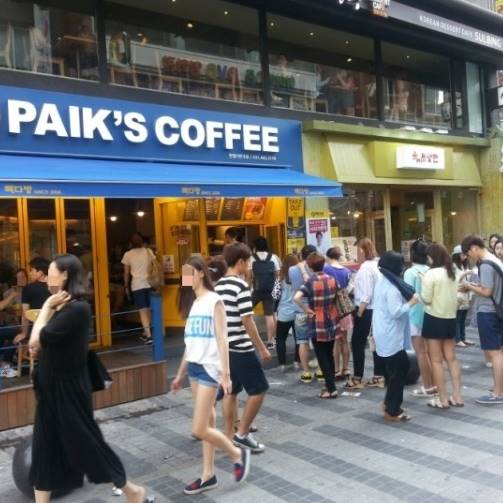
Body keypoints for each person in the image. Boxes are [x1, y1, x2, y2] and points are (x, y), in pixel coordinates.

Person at [28, 254, 153, 503]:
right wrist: (49, 312)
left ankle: (133, 491)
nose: (47, 275)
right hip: (50, 390)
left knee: (87, 447)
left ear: (65, 275)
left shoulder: (77, 309)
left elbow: (35, 341)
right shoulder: (62, 308)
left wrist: (45, 309)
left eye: (51, 271)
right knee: (45, 448)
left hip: (68, 392)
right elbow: (39, 346)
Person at [172, 256, 250, 495]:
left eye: (188, 272)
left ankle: (236, 454)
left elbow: (222, 338)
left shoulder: (214, 300)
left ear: (200, 273)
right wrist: (179, 374)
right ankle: (208, 475)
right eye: (183, 274)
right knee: (208, 423)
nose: (185, 278)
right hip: (194, 368)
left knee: (198, 429)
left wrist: (226, 374)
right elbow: (191, 343)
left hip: (209, 369)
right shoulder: (194, 303)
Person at [215, 243, 271, 453]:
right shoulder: (240, 286)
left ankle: (229, 436)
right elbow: (247, 320)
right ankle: (242, 434)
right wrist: (262, 348)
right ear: (240, 262)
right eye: (247, 262)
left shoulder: (218, 285)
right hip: (241, 347)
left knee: (231, 392)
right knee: (259, 389)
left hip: (225, 349)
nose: (249, 266)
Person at [373, 251, 419, 422]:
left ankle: (389, 404)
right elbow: (396, 312)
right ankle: (393, 410)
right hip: (390, 335)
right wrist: (412, 302)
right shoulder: (391, 287)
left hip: (385, 332)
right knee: (399, 370)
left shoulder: (383, 281)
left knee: (396, 371)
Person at [460, 235, 503, 404]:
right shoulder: (494, 260)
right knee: (498, 352)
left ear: (474, 248)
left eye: (468, 253)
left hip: (489, 312)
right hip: (497, 310)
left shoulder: (485, 264)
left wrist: (468, 286)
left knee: (494, 353)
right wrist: (473, 286)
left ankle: (498, 393)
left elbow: (486, 291)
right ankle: (498, 388)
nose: (469, 257)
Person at [421, 243, 463, 409]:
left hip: (433, 318)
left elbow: (426, 298)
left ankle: (443, 399)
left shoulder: (430, 274)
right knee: (451, 359)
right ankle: (457, 396)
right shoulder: (452, 271)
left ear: (432, 257)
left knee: (436, 361)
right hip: (450, 318)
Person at [294, 253, 338, 399]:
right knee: (329, 354)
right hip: (331, 319)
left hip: (317, 320)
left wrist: (306, 309)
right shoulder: (332, 279)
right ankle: (331, 385)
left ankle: (331, 389)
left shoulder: (310, 282)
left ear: (310, 266)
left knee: (321, 356)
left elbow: (297, 298)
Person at [345, 238, 385, 390]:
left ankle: (357, 378)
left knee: (357, 343)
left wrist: (359, 313)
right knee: (375, 342)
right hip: (378, 309)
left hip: (366, 309)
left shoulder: (366, 268)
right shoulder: (377, 264)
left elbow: (366, 295)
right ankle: (378, 375)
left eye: (357, 250)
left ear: (362, 251)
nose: (355, 254)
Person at [403, 240, 436, 398]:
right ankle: (435, 384)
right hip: (431, 314)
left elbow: (407, 294)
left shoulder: (410, 272)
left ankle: (428, 386)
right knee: (430, 353)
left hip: (415, 315)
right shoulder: (431, 270)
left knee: (421, 353)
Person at [288, 244, 317, 383]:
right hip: (314, 309)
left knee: (302, 342)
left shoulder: (292, 269)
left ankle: (306, 373)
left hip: (299, 309)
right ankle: (320, 371)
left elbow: (293, 285)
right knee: (318, 341)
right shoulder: (316, 268)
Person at [324, 247, 352, 380]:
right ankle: (346, 368)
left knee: (335, 340)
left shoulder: (326, 270)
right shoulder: (347, 271)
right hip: (344, 309)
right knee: (345, 340)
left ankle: (336, 370)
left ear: (328, 256)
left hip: (332, 308)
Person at [121, 233, 155, 345]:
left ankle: (149, 336)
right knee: (148, 309)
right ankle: (146, 332)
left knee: (142, 310)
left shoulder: (128, 254)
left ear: (130, 243)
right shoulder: (148, 251)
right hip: (149, 283)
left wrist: (126, 286)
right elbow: (154, 265)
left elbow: (126, 273)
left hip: (137, 285)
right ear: (142, 241)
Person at [249, 237, 281, 350]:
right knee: (269, 316)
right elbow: (277, 274)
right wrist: (275, 288)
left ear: (255, 246)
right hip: (270, 290)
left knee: (246, 312)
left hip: (256, 290)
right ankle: (271, 341)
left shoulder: (252, 258)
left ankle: (248, 338)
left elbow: (249, 276)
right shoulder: (273, 257)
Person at [14, 258, 50, 347]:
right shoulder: (56, 287)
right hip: (54, 328)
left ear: (40, 272)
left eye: (31, 270)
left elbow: (25, 314)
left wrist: (24, 333)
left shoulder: (28, 288)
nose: (29, 273)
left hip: (35, 331)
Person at [275, 254, 300, 371]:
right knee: (299, 339)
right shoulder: (300, 277)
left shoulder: (280, 278)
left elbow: (274, 295)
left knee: (280, 339)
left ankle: (282, 365)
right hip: (298, 311)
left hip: (284, 313)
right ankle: (296, 362)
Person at [452, 245, 474, 348]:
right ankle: (457, 339)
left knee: (463, 318)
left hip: (465, 294)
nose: (465, 257)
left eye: (465, 255)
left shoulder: (464, 265)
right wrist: (465, 274)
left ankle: (463, 337)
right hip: (457, 295)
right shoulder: (453, 266)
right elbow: (453, 281)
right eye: (462, 254)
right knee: (458, 319)